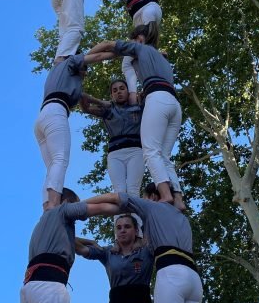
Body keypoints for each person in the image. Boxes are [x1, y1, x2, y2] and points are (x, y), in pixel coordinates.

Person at [85, 31, 182, 208]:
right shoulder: (162, 59)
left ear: (139, 39)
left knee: (151, 151)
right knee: (164, 156)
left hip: (157, 98)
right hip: (174, 103)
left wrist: (80, 61)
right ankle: (178, 199)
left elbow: (108, 45)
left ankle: (166, 195)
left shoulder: (139, 48)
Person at [33, 52, 94, 210]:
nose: (85, 72)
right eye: (84, 68)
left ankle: (46, 206)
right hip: (57, 112)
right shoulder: (69, 67)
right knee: (60, 159)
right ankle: (53, 203)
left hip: (42, 116)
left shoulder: (59, 74)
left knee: (52, 166)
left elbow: (84, 101)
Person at [79, 79, 144, 197]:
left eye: (122, 88)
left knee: (133, 190)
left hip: (135, 151)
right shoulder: (108, 110)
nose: (119, 92)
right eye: (115, 90)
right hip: (115, 153)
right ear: (112, 95)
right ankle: (120, 211)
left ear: (128, 91)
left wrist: (140, 95)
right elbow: (85, 107)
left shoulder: (138, 106)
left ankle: (135, 210)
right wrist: (101, 102)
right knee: (119, 191)